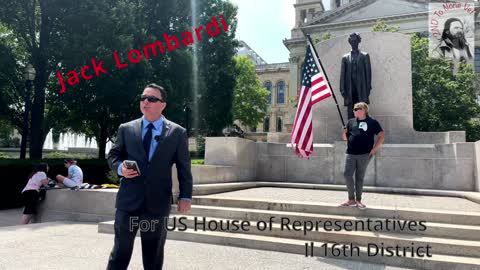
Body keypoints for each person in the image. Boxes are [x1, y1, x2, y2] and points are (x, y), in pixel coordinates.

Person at [106, 83, 193, 270]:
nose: (145, 101)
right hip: (128, 202)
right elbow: (113, 155)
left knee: (153, 255)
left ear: (163, 104)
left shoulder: (177, 132)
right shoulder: (126, 128)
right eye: (143, 98)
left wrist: (185, 196)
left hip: (157, 204)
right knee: (120, 252)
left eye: (152, 99)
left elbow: (184, 167)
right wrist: (120, 168)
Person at [340, 102, 384, 209]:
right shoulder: (351, 122)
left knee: (359, 177)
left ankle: (358, 200)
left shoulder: (372, 122)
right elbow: (345, 139)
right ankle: (351, 199)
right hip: (350, 153)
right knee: (347, 174)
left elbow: (381, 136)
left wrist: (374, 150)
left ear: (364, 110)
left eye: (356, 109)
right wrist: (343, 132)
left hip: (365, 154)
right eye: (354, 109)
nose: (354, 111)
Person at [340, 33, 372, 119]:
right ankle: (352, 130)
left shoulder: (365, 56)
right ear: (349, 42)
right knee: (351, 112)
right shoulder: (345, 57)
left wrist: (368, 88)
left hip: (361, 88)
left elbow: (368, 74)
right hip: (350, 89)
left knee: (362, 110)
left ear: (358, 41)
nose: (353, 42)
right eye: (352, 41)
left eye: (355, 41)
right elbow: (342, 75)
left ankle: (363, 129)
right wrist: (342, 89)